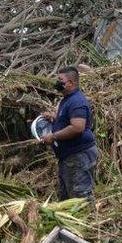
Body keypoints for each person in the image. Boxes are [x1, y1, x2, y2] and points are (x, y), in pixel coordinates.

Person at [40, 66, 98, 202]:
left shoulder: (76, 101)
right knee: (68, 199)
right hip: (70, 157)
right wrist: (55, 117)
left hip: (78, 156)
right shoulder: (67, 99)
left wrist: (53, 136)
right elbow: (69, 120)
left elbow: (77, 127)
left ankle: (85, 222)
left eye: (60, 80)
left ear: (71, 83)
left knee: (80, 199)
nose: (57, 82)